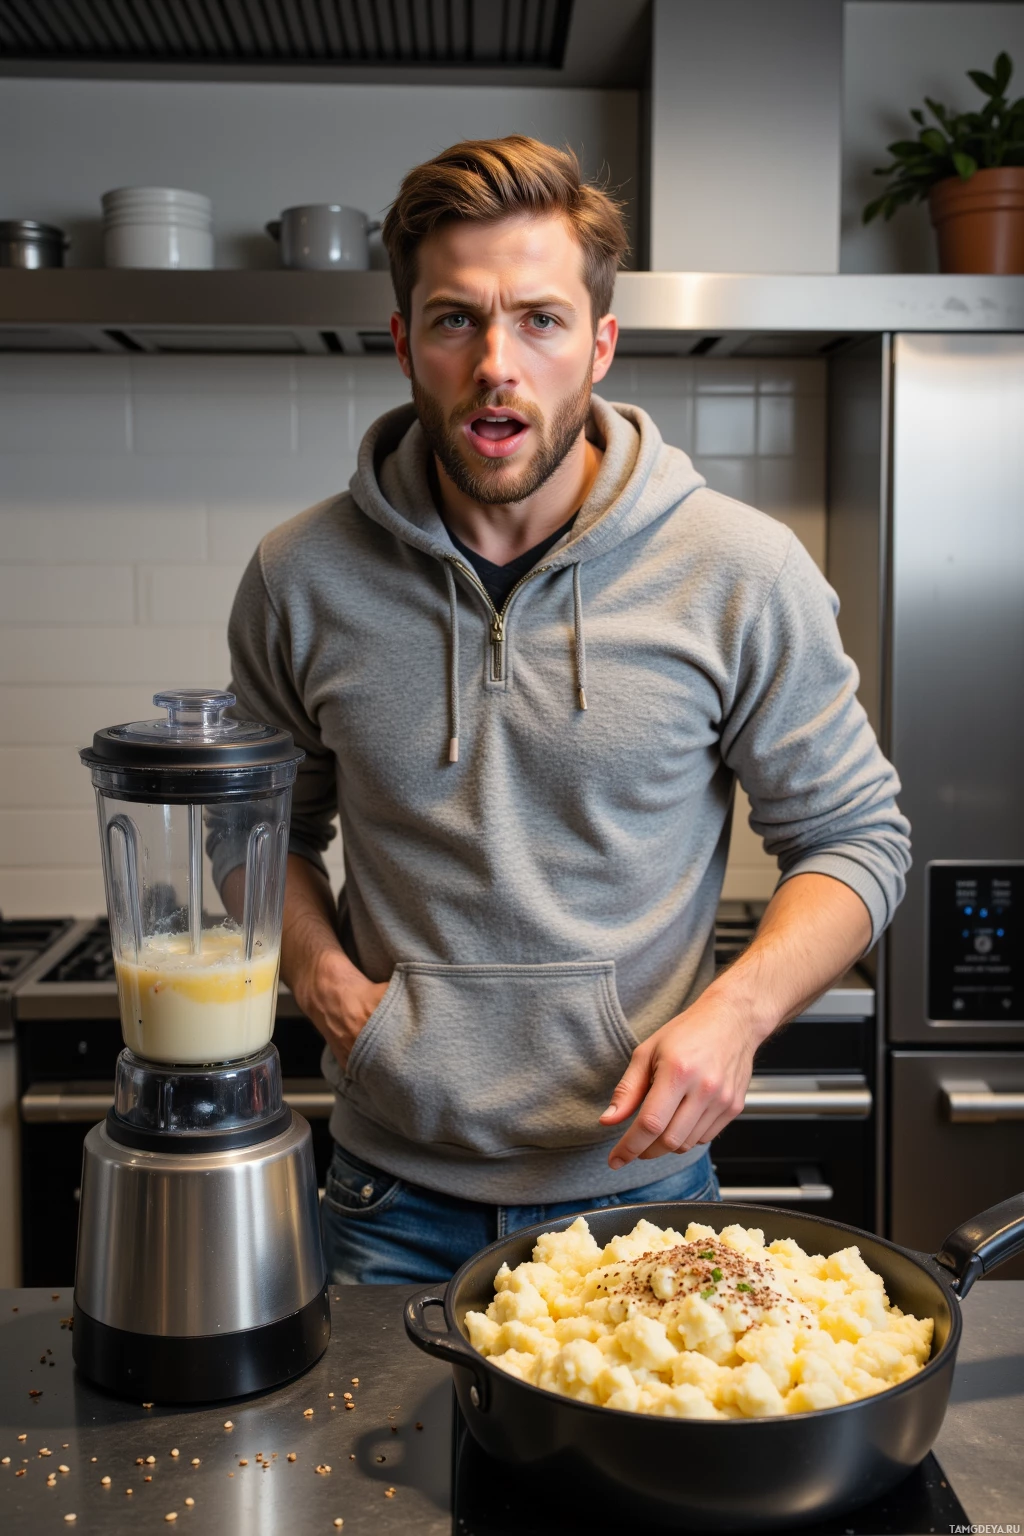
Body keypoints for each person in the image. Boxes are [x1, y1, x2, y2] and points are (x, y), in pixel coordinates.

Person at [226, 135, 910, 1284]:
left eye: (539, 320)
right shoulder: (299, 575)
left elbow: (856, 842)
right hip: (382, 1199)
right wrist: (319, 976)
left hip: (639, 1197)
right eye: (455, 320)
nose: (497, 363)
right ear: (404, 344)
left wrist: (733, 1017)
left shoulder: (739, 569)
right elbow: (257, 833)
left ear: (599, 344)